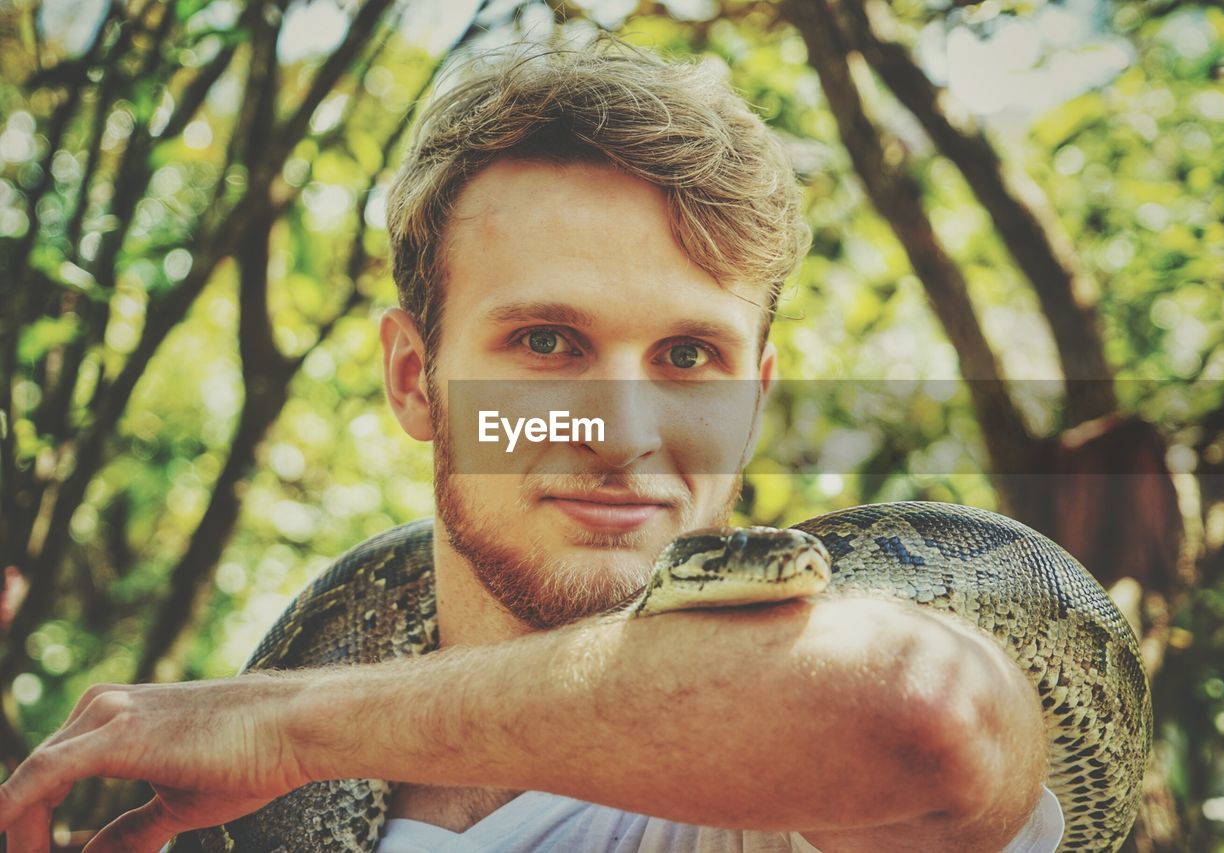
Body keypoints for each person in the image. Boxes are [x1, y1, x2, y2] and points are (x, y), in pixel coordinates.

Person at [0, 33, 1064, 852]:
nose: (620, 435)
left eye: (690, 357)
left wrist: (289, 721)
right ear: (417, 378)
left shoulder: (796, 786)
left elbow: (920, 713)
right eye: (547, 341)